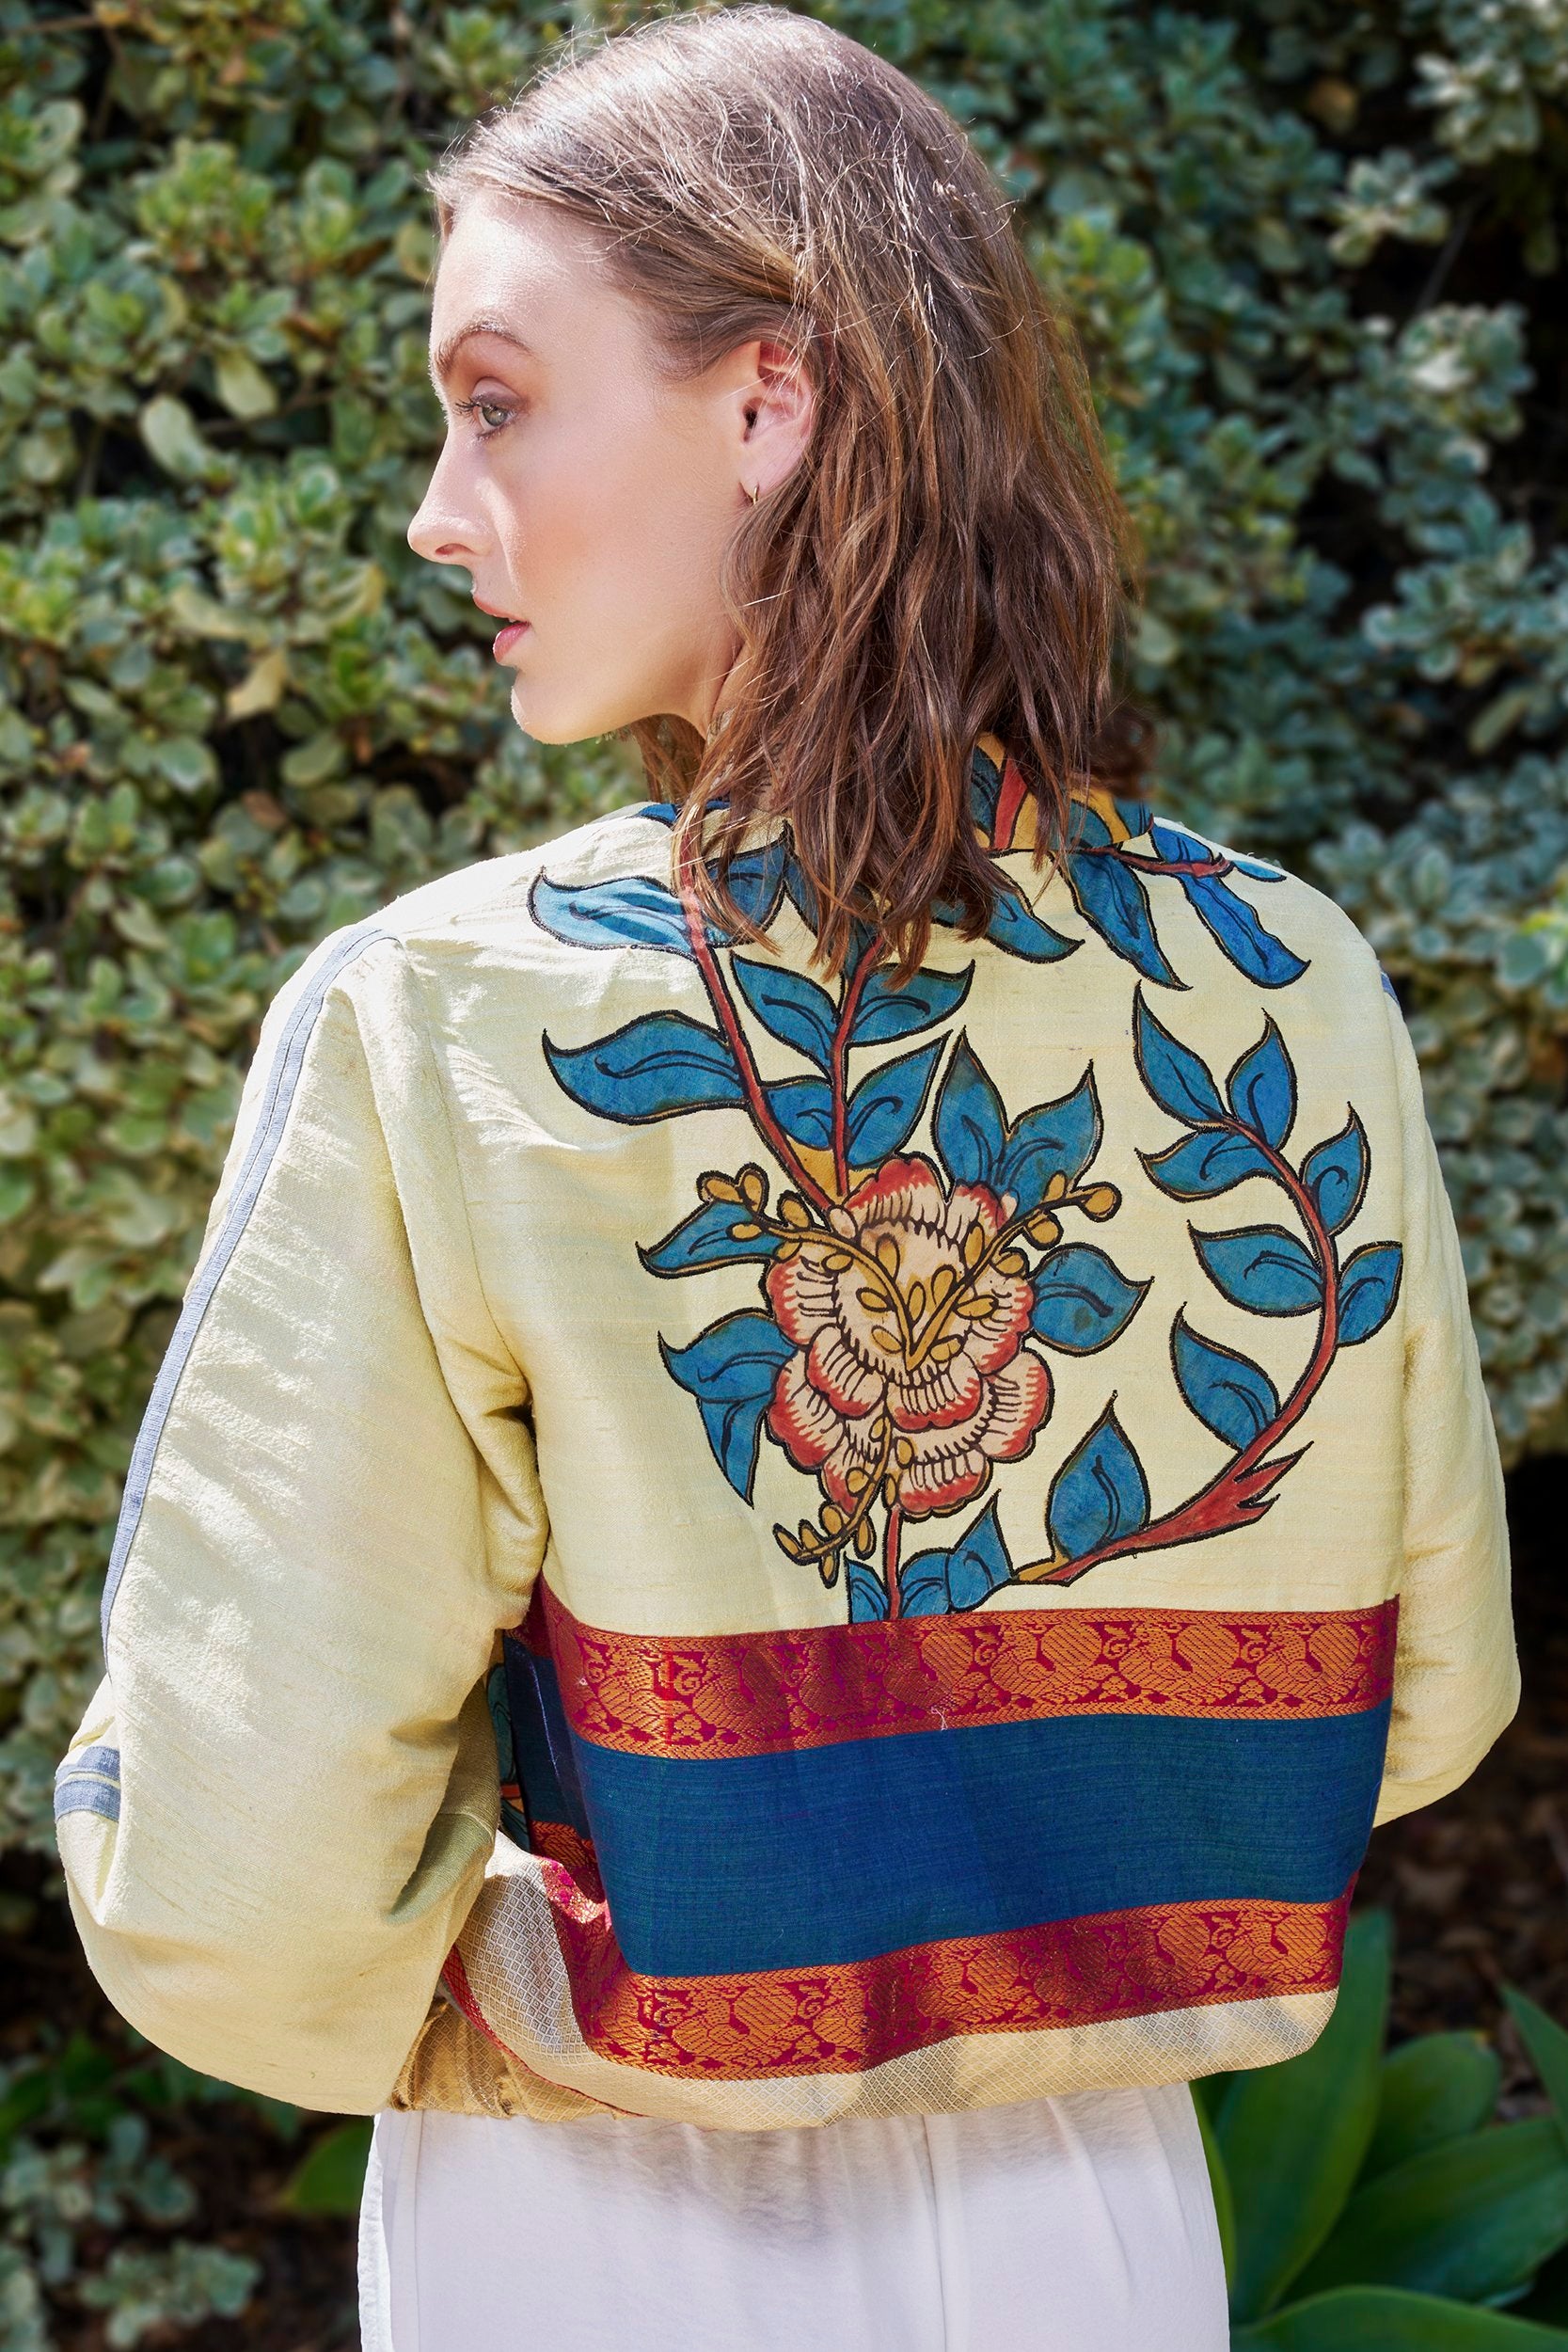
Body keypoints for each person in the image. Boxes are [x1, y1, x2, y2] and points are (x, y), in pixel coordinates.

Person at [54, 8, 1519, 2348]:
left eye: (499, 396)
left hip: (600, 2220)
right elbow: (1420, 1699)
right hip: (1101, 2216)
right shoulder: (1286, 981)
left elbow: (252, 1849)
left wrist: (612, 1995)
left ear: (770, 398)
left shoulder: (451, 1016)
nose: (442, 507)